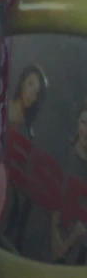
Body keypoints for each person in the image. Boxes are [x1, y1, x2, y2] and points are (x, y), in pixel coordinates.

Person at [0, 64, 47, 254]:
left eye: (37, 92)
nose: (31, 94)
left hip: (12, 198)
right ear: (22, 83)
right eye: (30, 85)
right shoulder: (3, 106)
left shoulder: (29, 132)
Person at [51, 101, 87, 266]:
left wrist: (66, 245)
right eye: (84, 123)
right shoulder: (64, 153)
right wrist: (55, 238)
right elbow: (53, 197)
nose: (86, 131)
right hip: (50, 235)